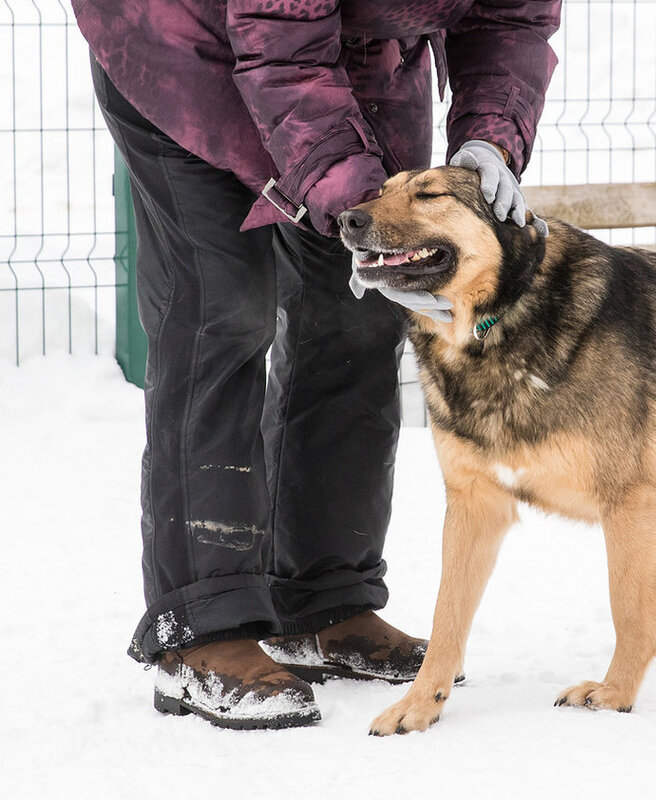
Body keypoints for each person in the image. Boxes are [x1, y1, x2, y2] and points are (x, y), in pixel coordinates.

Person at [72, 0, 561, 730]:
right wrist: (348, 196)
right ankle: (200, 629)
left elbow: (512, 20)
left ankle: (322, 599)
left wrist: (491, 138)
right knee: (223, 307)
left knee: (361, 305)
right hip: (186, 42)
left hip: (357, 58)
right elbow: (282, 44)